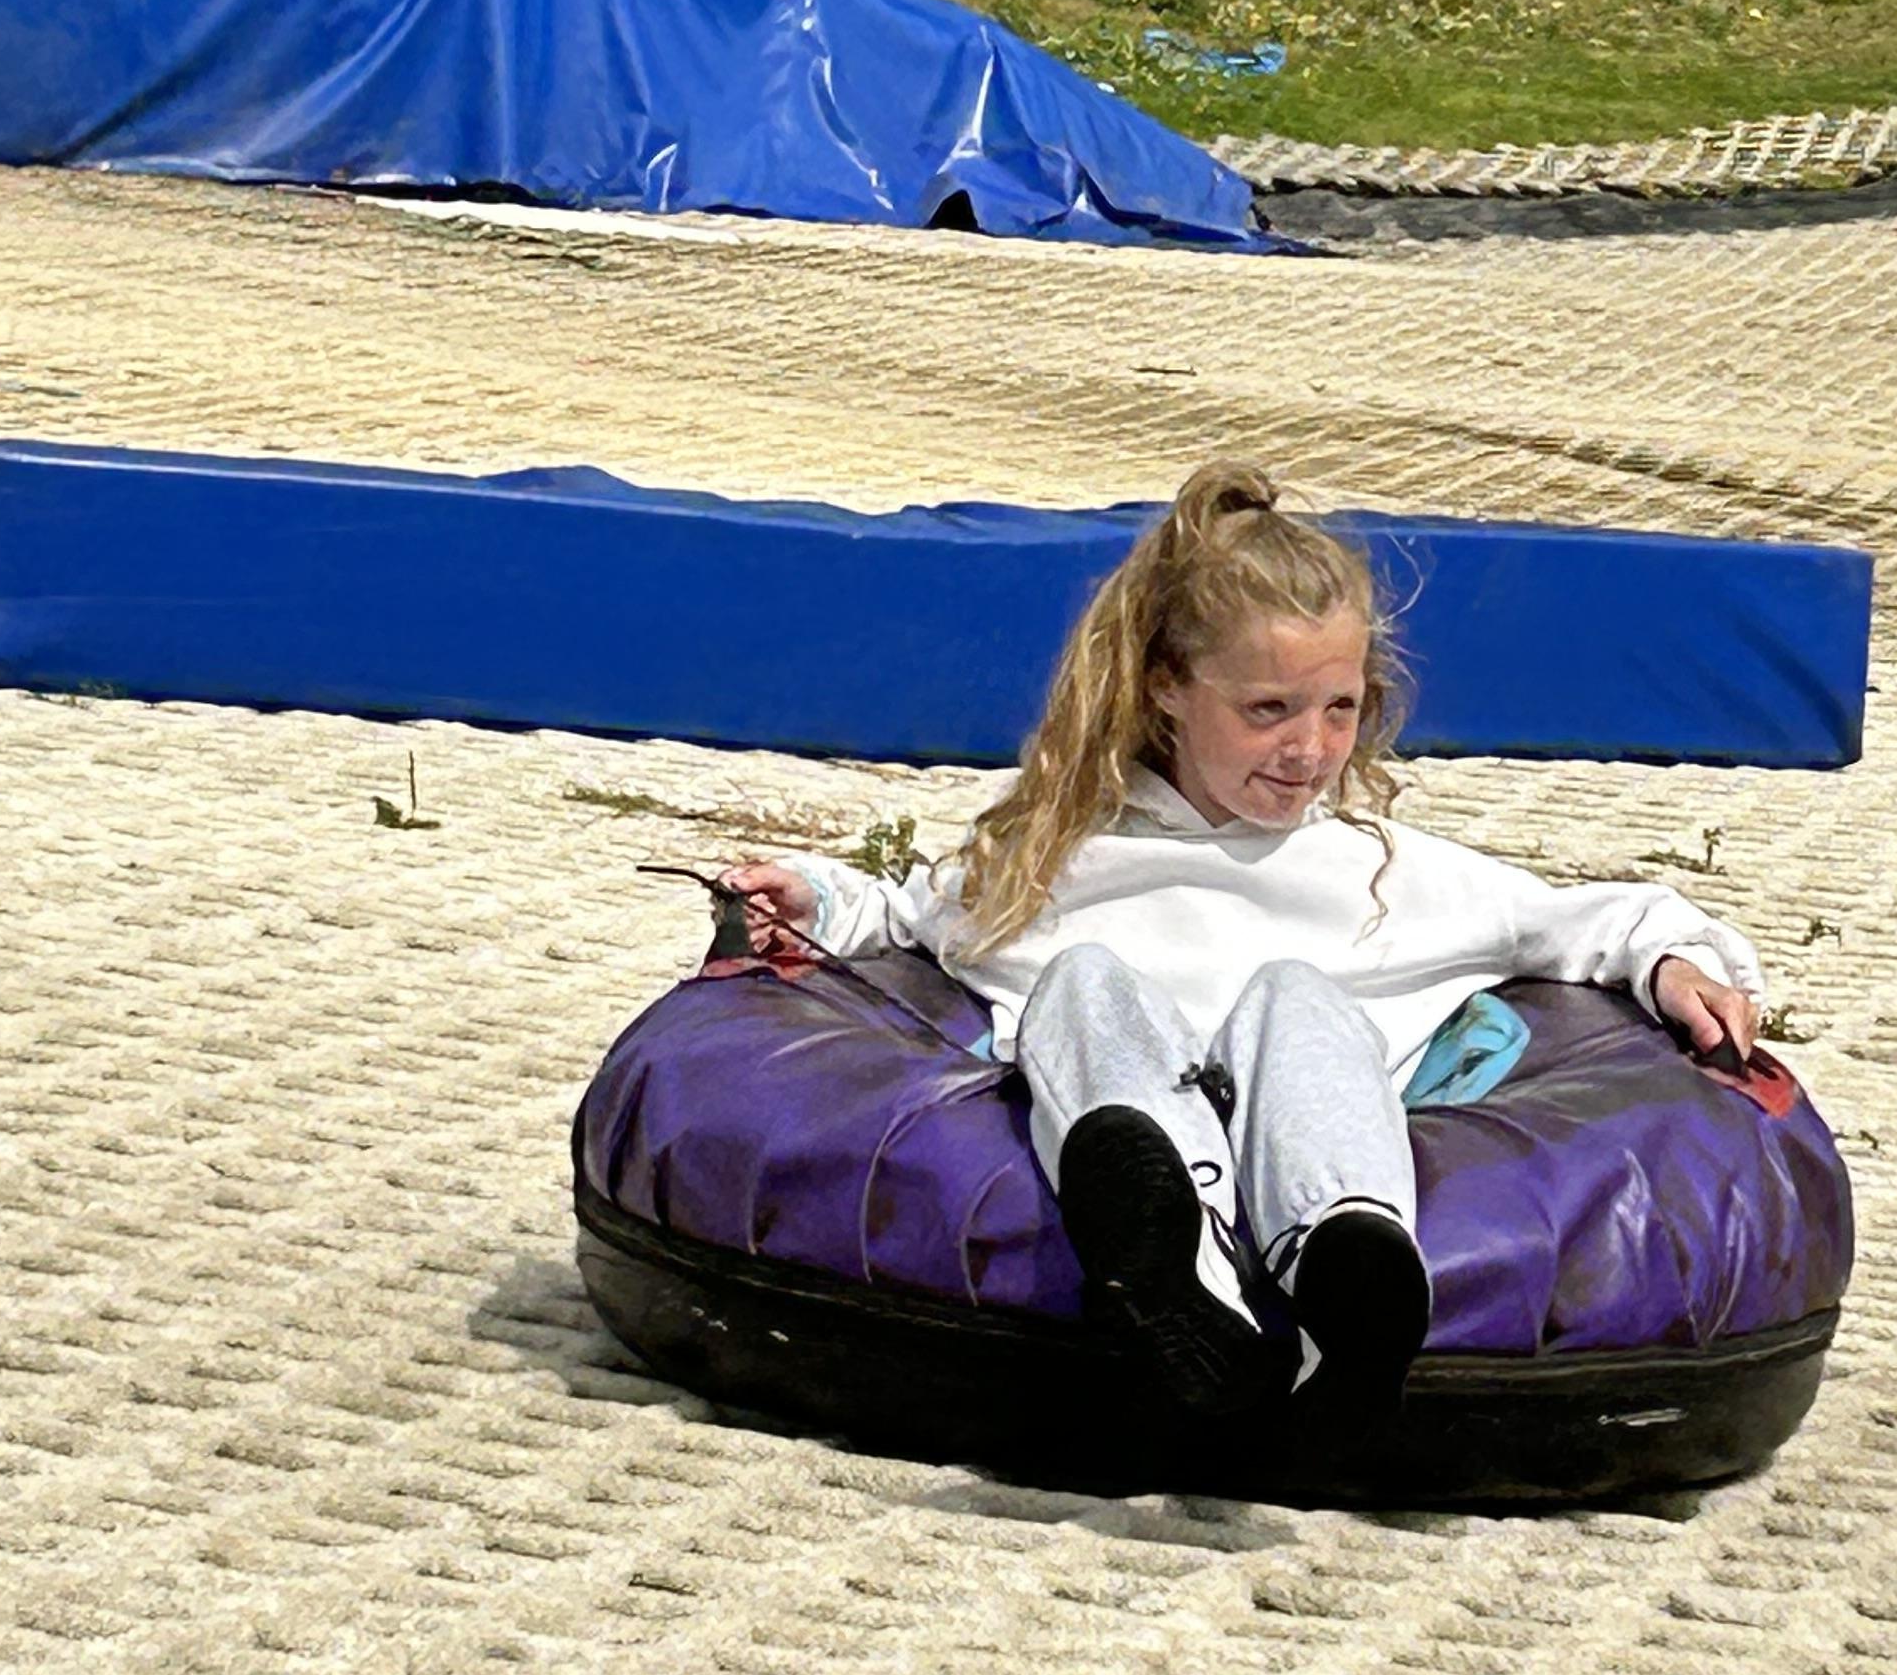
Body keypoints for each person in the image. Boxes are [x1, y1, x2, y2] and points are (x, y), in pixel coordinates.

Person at [719, 461, 1766, 1435]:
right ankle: (1180, 1268)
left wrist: (1678, 961)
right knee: (1082, 987)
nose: (1309, 748)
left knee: (1296, 997)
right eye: (1268, 710)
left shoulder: (1380, 873)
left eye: (1340, 708)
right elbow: (901, 914)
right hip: (1142, 1130)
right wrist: (808, 898)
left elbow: (1594, 920)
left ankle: (1345, 1270)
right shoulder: (1059, 864)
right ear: (1167, 688)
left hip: (1313, 1143)